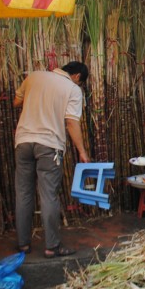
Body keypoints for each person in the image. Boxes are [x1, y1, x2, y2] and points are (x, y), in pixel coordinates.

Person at [13, 61, 90, 258]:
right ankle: (52, 247)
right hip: (49, 146)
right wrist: (82, 151)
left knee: (23, 193)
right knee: (48, 195)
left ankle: (23, 244)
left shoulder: (34, 76)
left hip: (23, 142)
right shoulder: (72, 89)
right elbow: (71, 123)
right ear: (77, 77)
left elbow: (16, 101)